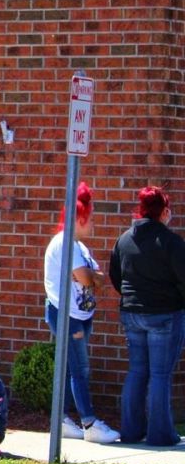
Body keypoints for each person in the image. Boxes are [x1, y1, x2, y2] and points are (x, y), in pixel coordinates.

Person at [42, 181, 120, 443]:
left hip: (81, 315)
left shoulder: (80, 247)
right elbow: (88, 279)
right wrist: (91, 277)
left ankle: (61, 419)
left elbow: (97, 277)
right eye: (91, 218)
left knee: (67, 368)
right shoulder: (65, 243)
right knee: (80, 369)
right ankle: (89, 424)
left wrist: (91, 276)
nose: (94, 223)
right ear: (81, 218)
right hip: (67, 316)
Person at [107, 186, 185, 446]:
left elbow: (116, 276)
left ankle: (131, 431)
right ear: (163, 211)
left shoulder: (124, 239)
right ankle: (160, 434)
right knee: (160, 375)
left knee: (137, 371)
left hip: (131, 313)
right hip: (164, 314)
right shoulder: (171, 242)